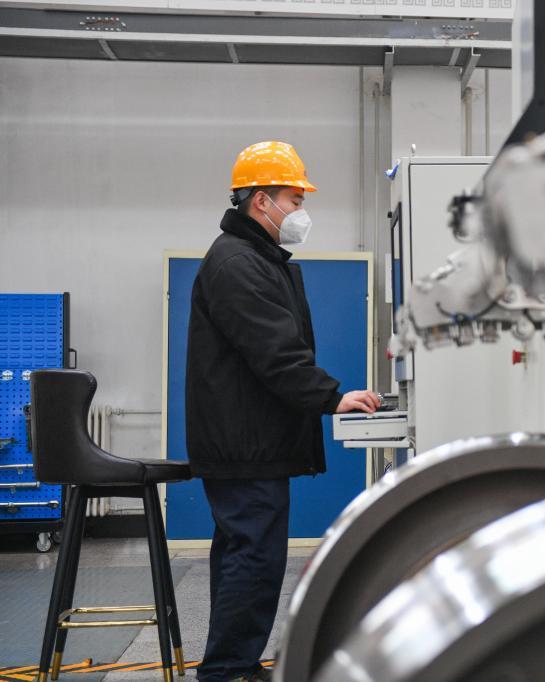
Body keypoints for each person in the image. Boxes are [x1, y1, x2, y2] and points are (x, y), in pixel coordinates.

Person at [185, 140, 380, 682]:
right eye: (295, 200)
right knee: (254, 558)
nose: (300, 211)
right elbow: (274, 350)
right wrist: (331, 396)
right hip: (245, 444)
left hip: (248, 439)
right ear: (261, 201)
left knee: (245, 555)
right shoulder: (237, 262)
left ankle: (232, 664)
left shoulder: (255, 259)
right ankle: (228, 671)